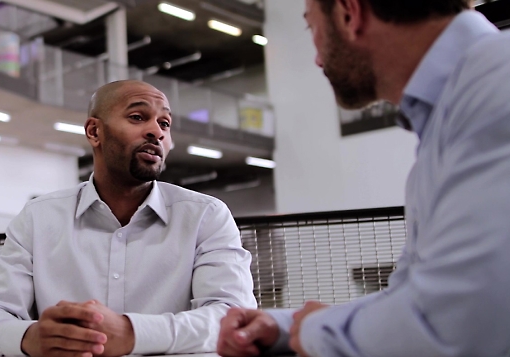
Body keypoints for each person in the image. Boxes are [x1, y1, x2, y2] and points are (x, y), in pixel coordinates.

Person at [217, 0, 510, 356]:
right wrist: (285, 326)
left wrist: (313, 329)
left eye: (312, 28)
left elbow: (460, 323)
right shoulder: (454, 112)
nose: (317, 59)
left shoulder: (497, 86)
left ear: (348, 14)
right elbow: (413, 297)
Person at [0, 80, 258, 357]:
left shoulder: (205, 216)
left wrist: (131, 333)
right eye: (137, 117)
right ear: (95, 132)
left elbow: (233, 317)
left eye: (164, 123)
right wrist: (31, 338)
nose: (156, 131)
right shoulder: (38, 218)